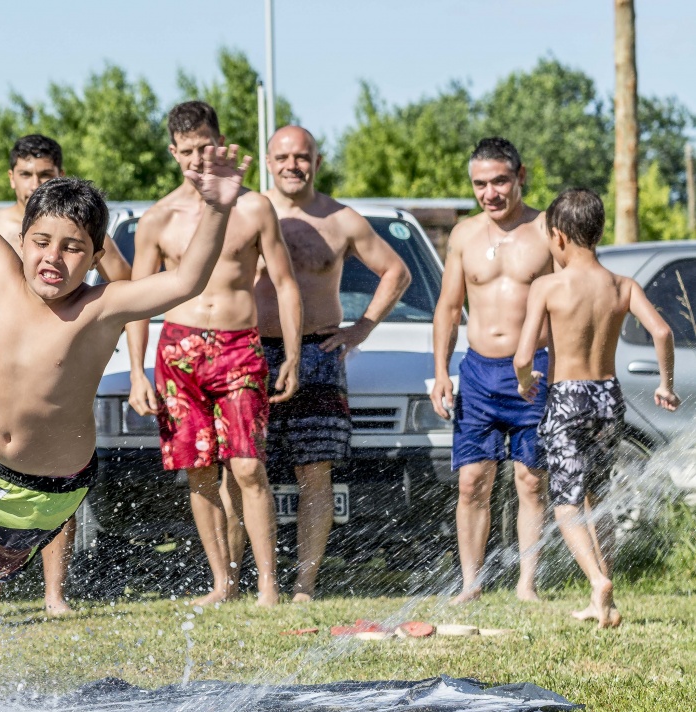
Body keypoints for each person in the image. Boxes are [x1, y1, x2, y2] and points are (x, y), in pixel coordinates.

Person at [0, 22, 249, 590]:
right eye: (42, 242)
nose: (54, 259)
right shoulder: (1, 272)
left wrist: (218, 209)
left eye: (74, 248)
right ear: (22, 239)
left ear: (97, 255)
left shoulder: (102, 308)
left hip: (50, 490)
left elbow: (189, 279)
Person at [0, 134, 133, 622]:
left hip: (58, 374)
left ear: (59, 173)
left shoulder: (81, 233)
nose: (35, 182)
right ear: (11, 177)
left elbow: (124, 283)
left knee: (54, 485)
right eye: (27, 174)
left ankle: (53, 595)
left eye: (45, 174)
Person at [222, 125, 410, 601]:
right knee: (240, 468)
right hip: (249, 351)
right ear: (268, 162)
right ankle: (231, 582)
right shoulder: (242, 214)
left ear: (317, 162)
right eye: (283, 156)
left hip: (320, 353)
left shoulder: (342, 220)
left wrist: (362, 327)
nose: (292, 165)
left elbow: (397, 272)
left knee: (316, 471)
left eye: (301, 156)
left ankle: (305, 583)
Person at [126, 101, 301, 607]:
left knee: (247, 467)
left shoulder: (254, 208)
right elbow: (139, 297)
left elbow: (286, 284)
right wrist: (137, 372)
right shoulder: (158, 217)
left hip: (238, 347)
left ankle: (268, 583)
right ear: (172, 152)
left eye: (206, 147)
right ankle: (222, 583)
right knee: (199, 471)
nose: (197, 159)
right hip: (178, 351)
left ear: (221, 143)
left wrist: (292, 354)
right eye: (186, 151)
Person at [515, 188, 678, 627]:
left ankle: (596, 582)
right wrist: (665, 385)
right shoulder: (623, 286)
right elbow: (662, 333)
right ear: (599, 231)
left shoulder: (547, 286)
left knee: (566, 502)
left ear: (558, 237)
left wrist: (526, 382)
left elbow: (522, 355)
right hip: (608, 397)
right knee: (596, 497)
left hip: (567, 397)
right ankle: (602, 600)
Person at [430, 138, 552, 604]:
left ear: (520, 176)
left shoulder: (547, 230)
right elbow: (448, 307)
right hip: (479, 372)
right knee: (471, 480)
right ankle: (471, 583)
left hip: (534, 371)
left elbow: (566, 304)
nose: (490, 193)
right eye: (480, 184)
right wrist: (441, 371)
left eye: (500, 181)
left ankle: (526, 584)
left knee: (529, 479)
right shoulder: (463, 235)